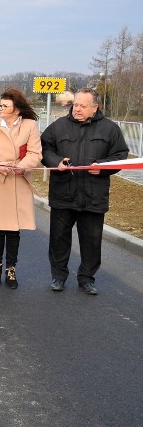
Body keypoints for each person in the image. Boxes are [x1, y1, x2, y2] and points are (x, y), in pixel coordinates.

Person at [41, 87, 128, 295]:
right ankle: (59, 277)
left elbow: (120, 155)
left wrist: (104, 166)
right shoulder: (58, 127)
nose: (77, 109)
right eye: (75, 104)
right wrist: (55, 161)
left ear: (94, 107)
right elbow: (44, 149)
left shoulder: (110, 129)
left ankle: (87, 279)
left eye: (82, 106)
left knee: (91, 241)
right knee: (59, 239)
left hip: (93, 195)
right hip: (63, 193)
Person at [0, 88, 42, 289]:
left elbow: (35, 153)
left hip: (18, 181)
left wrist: (21, 166)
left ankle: (11, 269)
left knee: (14, 230)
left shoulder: (30, 126)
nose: (0, 109)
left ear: (17, 109)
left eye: (5, 106)